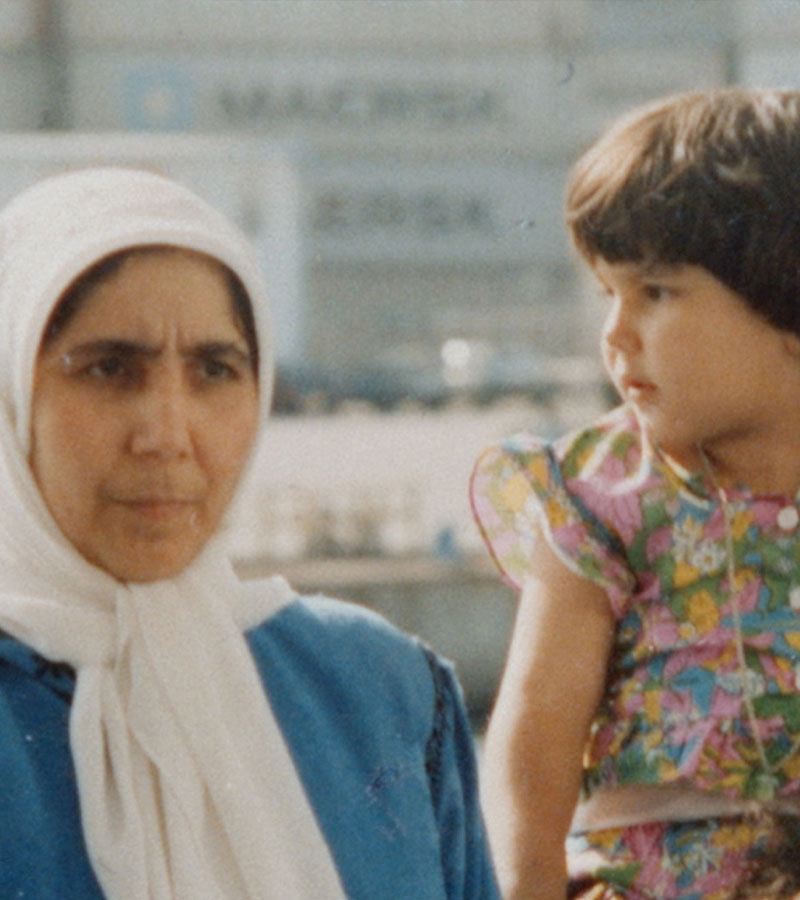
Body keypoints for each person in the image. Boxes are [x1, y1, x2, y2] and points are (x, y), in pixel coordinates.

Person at [0, 165, 500, 900]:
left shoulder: (381, 691)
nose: (168, 434)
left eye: (214, 368)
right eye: (109, 368)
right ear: (12, 396)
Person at [470, 88, 800, 900]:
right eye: (608, 293)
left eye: (655, 292)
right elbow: (532, 747)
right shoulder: (606, 494)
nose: (615, 335)